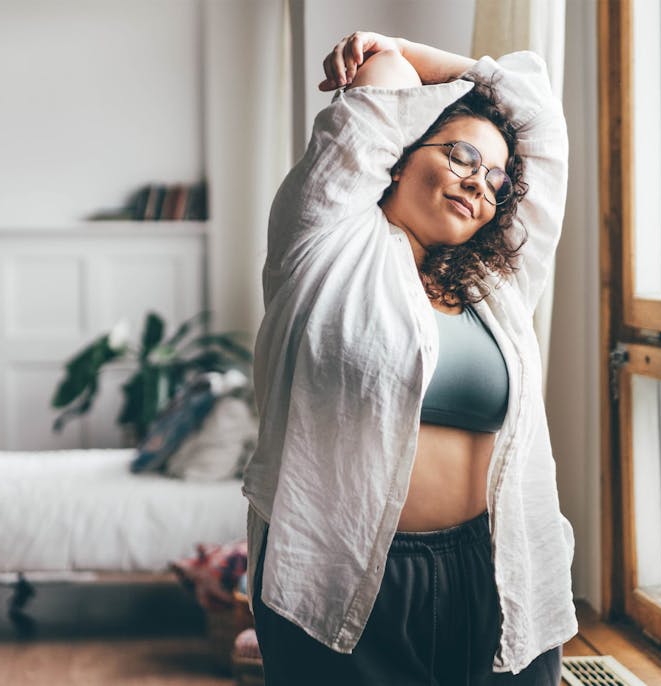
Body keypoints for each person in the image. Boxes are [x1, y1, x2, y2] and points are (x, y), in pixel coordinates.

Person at [243, 31, 577, 685]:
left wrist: (415, 50)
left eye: (495, 180)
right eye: (461, 156)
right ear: (397, 156)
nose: (478, 183)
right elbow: (385, 77)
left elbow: (537, 108)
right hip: (345, 571)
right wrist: (392, 51)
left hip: (493, 568)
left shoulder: (498, 284)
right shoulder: (324, 240)